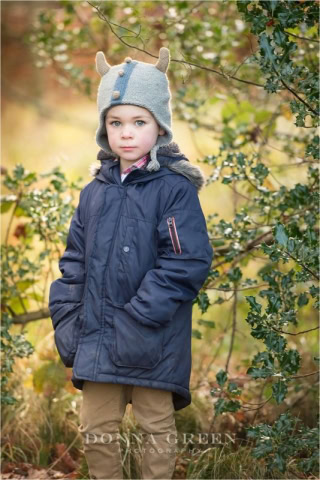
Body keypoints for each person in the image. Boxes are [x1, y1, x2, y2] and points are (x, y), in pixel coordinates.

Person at [49, 47, 214, 480]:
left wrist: (138, 317)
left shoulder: (174, 190)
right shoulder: (94, 192)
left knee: (154, 426)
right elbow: (74, 264)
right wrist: (69, 324)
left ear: (159, 125)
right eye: (115, 122)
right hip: (97, 336)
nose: (126, 133)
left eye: (139, 122)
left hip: (152, 339)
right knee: (96, 429)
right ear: (104, 127)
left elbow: (186, 261)